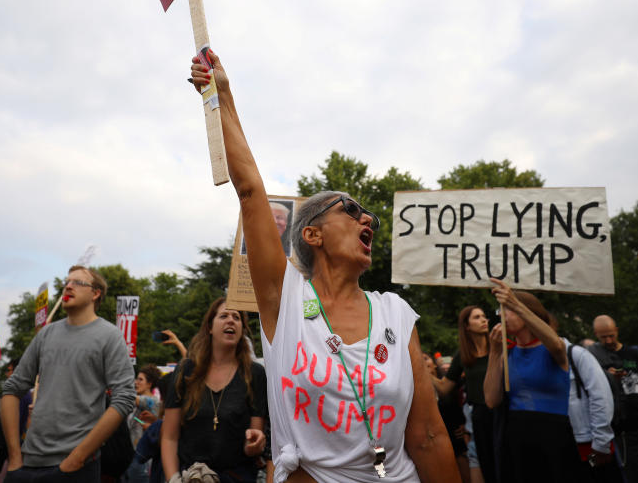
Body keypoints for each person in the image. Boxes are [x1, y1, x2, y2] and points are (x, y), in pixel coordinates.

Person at [190, 51, 458, 482]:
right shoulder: (286, 298)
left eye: (367, 214)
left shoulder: (396, 313)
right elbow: (250, 191)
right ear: (312, 234)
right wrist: (222, 95)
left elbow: (427, 435)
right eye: (350, 209)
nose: (366, 218)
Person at [1, 264, 136, 482]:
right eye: (66, 282)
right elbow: (11, 388)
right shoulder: (46, 334)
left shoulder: (110, 336)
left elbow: (125, 398)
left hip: (75, 467)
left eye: (78, 282)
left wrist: (78, 457)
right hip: (27, 463)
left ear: (95, 293)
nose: (68, 287)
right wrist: (15, 457)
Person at [161, 298, 266, 483]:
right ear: (210, 327)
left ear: (242, 330)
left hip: (236, 477)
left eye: (237, 317)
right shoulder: (186, 371)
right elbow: (169, 437)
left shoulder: (255, 374)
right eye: (223, 315)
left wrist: (255, 443)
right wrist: (173, 478)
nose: (231, 320)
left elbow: (252, 445)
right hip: (191, 477)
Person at [483, 280, 579, 483]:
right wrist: (494, 353)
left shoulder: (554, 348)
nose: (501, 315)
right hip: (518, 438)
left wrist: (515, 302)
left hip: (553, 437)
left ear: (525, 312)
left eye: (507, 309)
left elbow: (555, 343)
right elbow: (491, 400)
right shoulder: (507, 355)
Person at [588, 315, 638, 483]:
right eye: (603, 337)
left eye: (611, 335)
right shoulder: (595, 360)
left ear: (616, 330)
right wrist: (608, 378)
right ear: (596, 335)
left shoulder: (634, 354)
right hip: (626, 430)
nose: (608, 340)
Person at [438, 306, 495, 483]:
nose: (484, 320)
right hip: (479, 420)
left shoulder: (499, 347)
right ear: (467, 326)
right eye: (477, 317)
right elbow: (444, 387)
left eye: (484, 316)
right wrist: (422, 369)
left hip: (502, 416)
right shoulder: (463, 355)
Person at [564, 338, 620, 482]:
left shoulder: (576, 354)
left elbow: (601, 398)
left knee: (600, 475)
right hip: (566, 445)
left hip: (591, 444)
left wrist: (601, 442)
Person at [424, 355, 468, 483]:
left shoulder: (448, 384)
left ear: (435, 364)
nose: (423, 361)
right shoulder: (415, 388)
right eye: (420, 359)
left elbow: (463, 403)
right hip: (434, 443)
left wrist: (465, 425)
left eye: (425, 358)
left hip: (456, 440)